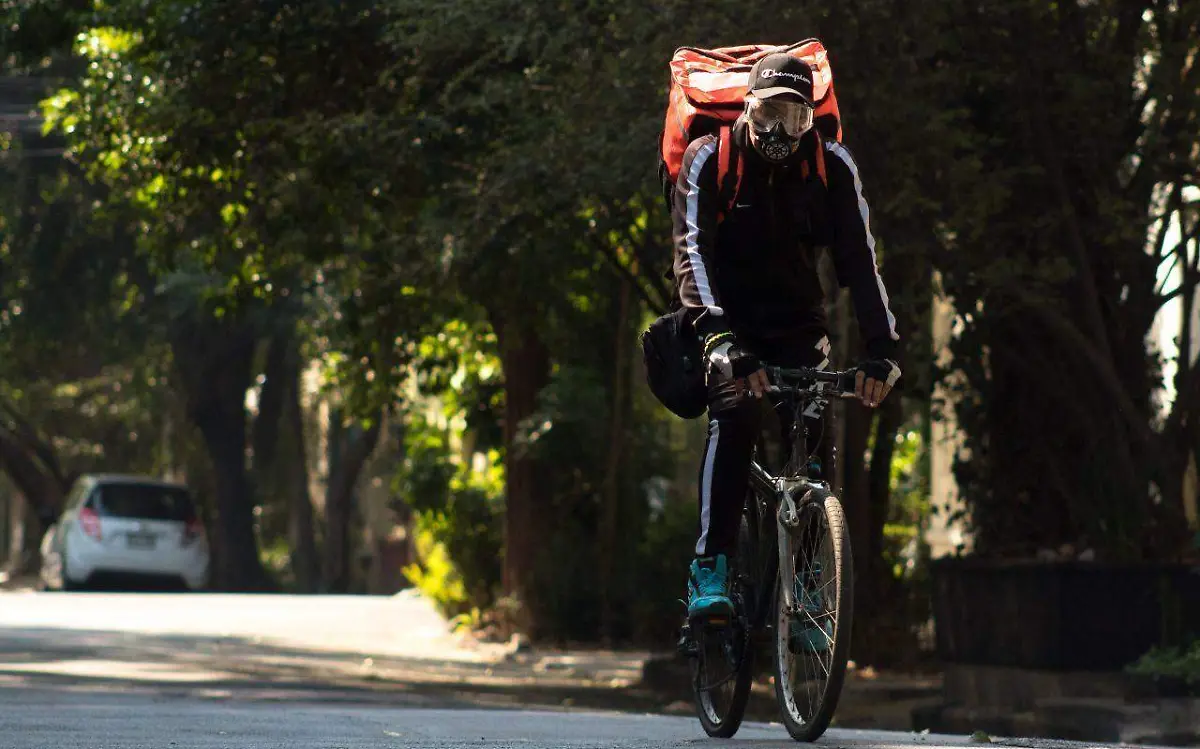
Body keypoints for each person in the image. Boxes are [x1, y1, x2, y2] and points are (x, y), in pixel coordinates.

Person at [671, 52, 901, 623]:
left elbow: (861, 260)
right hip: (726, 321)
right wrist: (718, 338)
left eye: (796, 118)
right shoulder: (709, 159)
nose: (781, 132)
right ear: (747, 108)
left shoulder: (831, 165)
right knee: (736, 416)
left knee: (815, 432)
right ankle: (711, 567)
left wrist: (882, 351)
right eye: (769, 114)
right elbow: (691, 253)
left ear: (811, 120)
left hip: (798, 323)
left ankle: (810, 586)